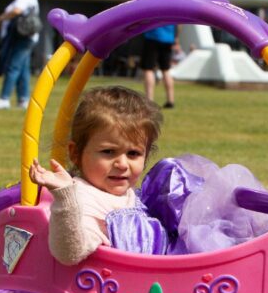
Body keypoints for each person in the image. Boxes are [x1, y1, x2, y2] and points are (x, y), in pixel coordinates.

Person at [28, 86, 166, 265]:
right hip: (101, 290)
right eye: (108, 152)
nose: (122, 164)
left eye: (133, 154)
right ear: (76, 153)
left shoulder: (132, 197)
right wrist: (65, 197)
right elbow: (69, 253)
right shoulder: (83, 199)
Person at [141, 0, 180, 109]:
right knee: (166, 69)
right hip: (168, 39)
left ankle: (149, 100)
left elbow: (144, 3)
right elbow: (178, 23)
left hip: (153, 36)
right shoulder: (174, 0)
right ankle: (170, 100)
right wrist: (176, 38)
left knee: (148, 69)